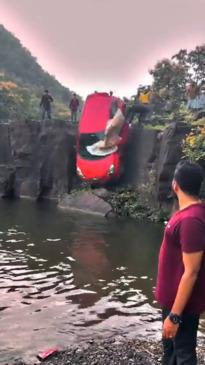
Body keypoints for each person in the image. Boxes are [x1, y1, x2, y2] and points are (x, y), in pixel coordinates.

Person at [156, 160, 205, 365]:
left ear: (175, 184)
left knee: (183, 353)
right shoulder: (190, 214)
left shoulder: (191, 220)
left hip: (182, 304)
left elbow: (192, 271)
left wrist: (175, 316)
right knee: (172, 352)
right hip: (174, 300)